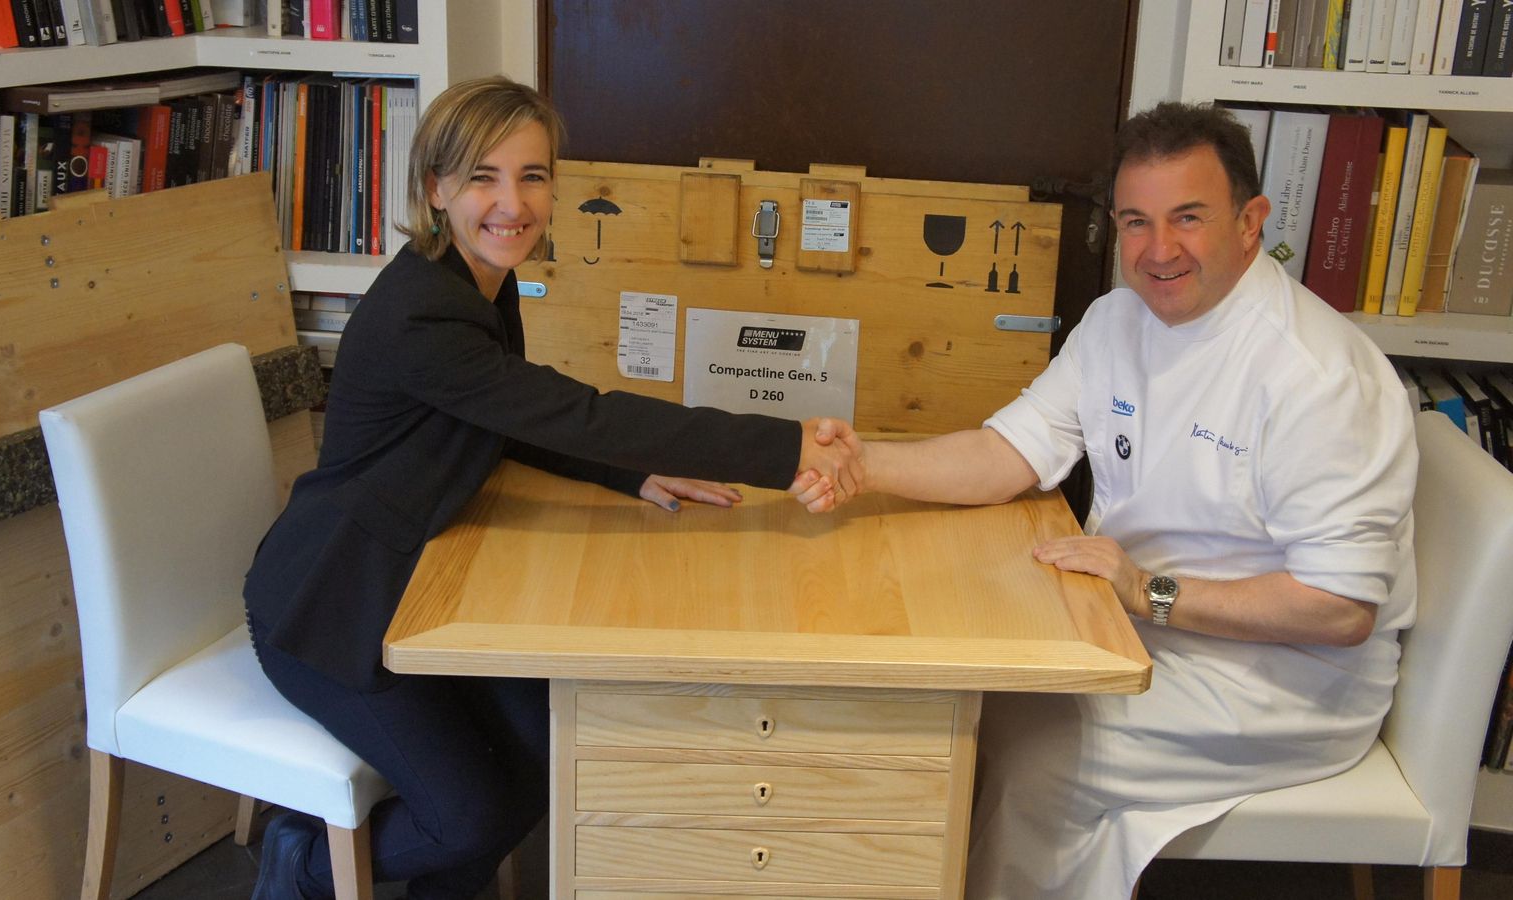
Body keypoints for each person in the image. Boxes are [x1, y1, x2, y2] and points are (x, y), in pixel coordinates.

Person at [242, 76, 858, 900]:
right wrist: (786, 447)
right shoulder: (422, 314)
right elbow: (577, 414)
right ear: (435, 188)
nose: (513, 202)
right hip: (332, 606)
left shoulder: (479, 282)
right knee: (472, 816)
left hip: (421, 584)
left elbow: (515, 407)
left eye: (532, 176)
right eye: (482, 178)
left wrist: (629, 470)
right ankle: (304, 862)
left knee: (541, 751)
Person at [794, 101, 1418, 899]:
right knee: (941, 709)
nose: (1158, 251)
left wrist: (1145, 591)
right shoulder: (1117, 321)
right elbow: (1006, 454)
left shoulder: (1317, 375)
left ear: (1252, 221)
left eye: (1188, 218)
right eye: (1135, 222)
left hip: (1281, 683)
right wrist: (866, 465)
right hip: (1131, 632)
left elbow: (1339, 609)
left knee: (1029, 763)